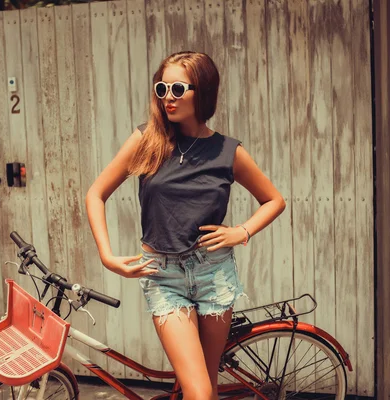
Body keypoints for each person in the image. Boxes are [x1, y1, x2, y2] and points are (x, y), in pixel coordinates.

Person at [85, 51, 286, 400]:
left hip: (214, 274)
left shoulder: (228, 151)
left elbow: (274, 200)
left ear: (203, 91)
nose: (168, 98)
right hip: (163, 276)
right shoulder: (147, 138)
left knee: (205, 388)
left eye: (178, 88)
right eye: (162, 88)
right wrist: (107, 256)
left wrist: (242, 231)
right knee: (198, 391)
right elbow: (95, 194)